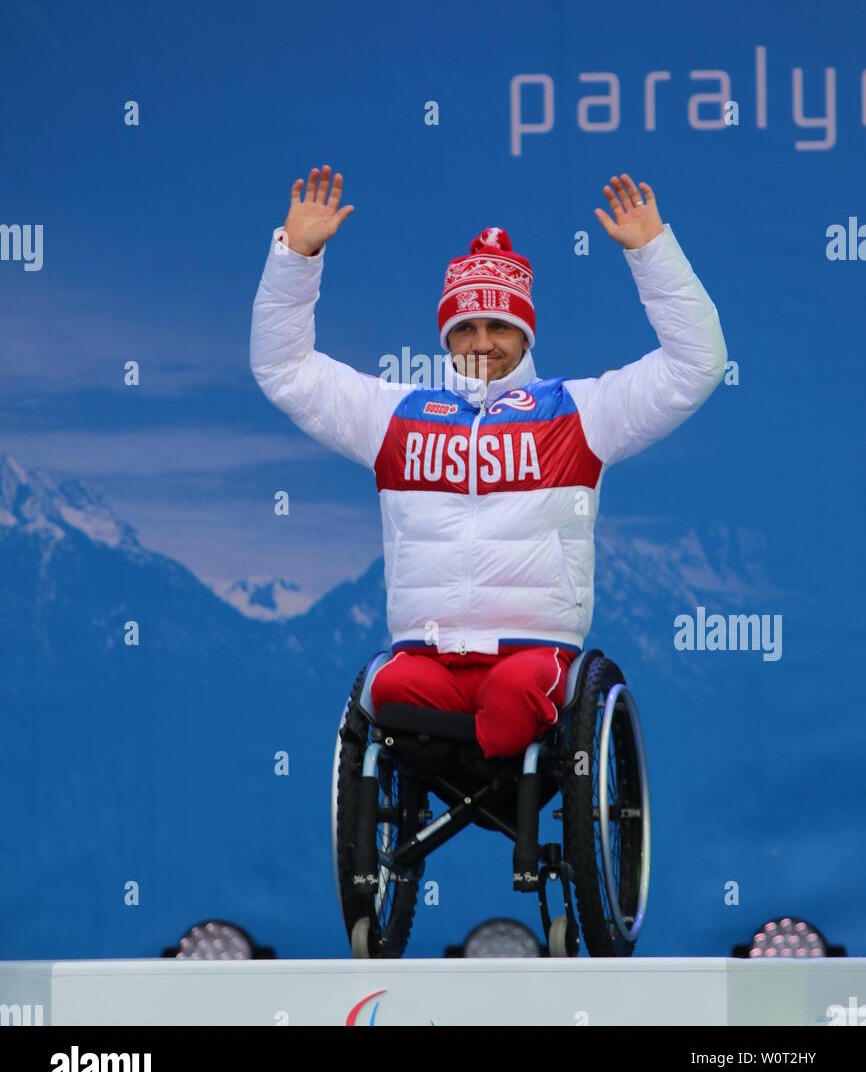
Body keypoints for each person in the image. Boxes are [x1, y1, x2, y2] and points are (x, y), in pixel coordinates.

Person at [249, 165, 726, 758]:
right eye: (465, 327)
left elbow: (697, 365)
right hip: (426, 654)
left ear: (526, 335)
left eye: (499, 325)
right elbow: (284, 371)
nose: (481, 343)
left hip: (532, 655)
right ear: (445, 338)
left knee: (511, 698)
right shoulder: (397, 415)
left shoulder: (578, 412)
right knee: (386, 687)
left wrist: (652, 254)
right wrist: (296, 257)